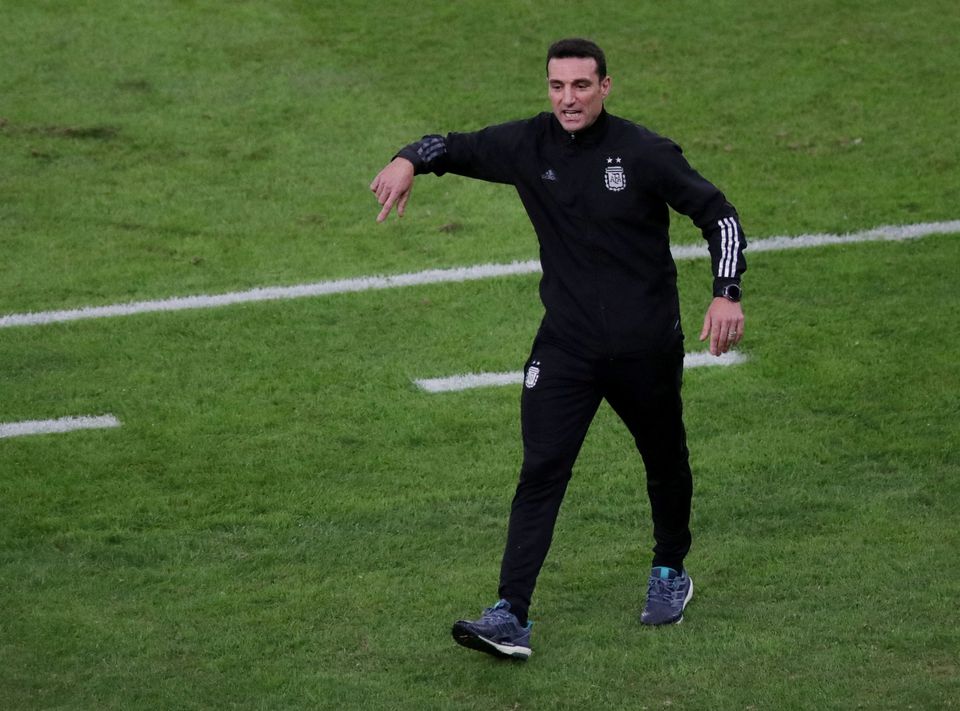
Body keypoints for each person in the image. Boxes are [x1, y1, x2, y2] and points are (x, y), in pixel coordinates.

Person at [370, 38, 746, 661]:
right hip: (567, 346)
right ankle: (511, 614)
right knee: (542, 469)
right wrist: (408, 158)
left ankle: (670, 568)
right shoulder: (529, 144)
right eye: (556, 86)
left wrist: (725, 293)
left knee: (663, 456)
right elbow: (453, 146)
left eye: (580, 86)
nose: (567, 99)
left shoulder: (646, 152)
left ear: (605, 87)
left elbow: (720, 216)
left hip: (645, 345)